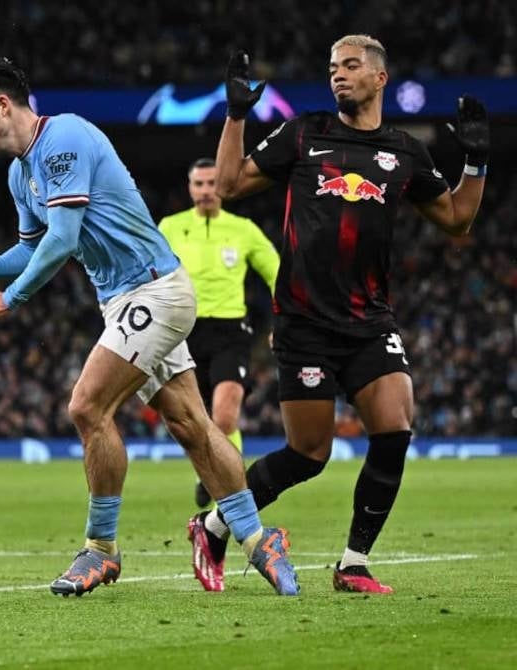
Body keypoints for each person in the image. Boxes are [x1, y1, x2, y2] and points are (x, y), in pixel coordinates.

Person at [0, 57, 298, 596]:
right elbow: (32, 248)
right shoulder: (20, 173)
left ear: (3, 105)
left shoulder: (63, 138)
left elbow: (63, 240)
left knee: (87, 407)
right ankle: (257, 538)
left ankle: (101, 549)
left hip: (153, 292)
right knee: (191, 425)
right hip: (128, 300)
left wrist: (9, 299)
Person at [192, 35, 488, 594]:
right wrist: (235, 115)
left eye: (350, 66)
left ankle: (353, 563)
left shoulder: (404, 151)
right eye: (332, 68)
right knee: (309, 454)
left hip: (369, 321)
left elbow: (457, 218)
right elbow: (228, 184)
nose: (338, 75)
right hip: (304, 322)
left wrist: (475, 162)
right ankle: (212, 526)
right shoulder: (305, 133)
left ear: (379, 78)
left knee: (395, 427)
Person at [158, 158, 279, 507]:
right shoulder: (170, 227)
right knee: (195, 420)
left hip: (230, 330)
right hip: (184, 330)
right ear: (190, 188)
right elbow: (147, 271)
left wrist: (283, 320)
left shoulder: (243, 230)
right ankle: (207, 473)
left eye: (212, 183)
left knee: (224, 417)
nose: (206, 190)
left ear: (222, 186)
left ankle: (233, 491)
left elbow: (277, 272)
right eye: (199, 184)